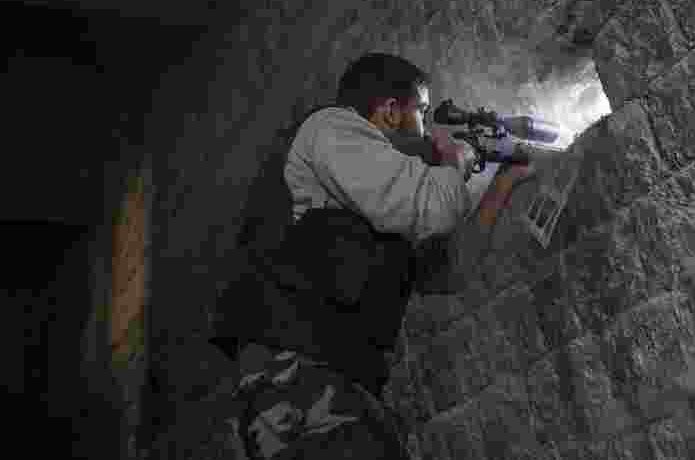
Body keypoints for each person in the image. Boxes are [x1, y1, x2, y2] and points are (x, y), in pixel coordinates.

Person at [210, 53, 535, 459]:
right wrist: (454, 160)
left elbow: (449, 272)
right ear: (389, 111)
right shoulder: (331, 130)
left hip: (330, 376)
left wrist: (504, 182)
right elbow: (429, 204)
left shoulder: (376, 204)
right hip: (296, 374)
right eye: (422, 111)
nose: (427, 126)